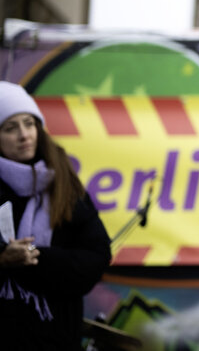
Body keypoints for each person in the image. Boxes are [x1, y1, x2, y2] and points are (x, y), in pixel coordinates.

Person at [0, 81, 111, 349]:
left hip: (57, 336)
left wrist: (35, 259)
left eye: (29, 123)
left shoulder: (64, 185)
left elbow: (96, 256)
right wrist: (3, 259)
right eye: (10, 128)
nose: (24, 135)